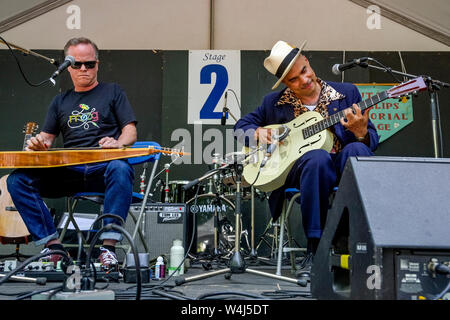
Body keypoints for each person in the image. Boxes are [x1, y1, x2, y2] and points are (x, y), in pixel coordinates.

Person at [234, 40, 379, 280]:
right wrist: (257, 133)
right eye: (294, 79)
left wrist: (361, 133)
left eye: (304, 71)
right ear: (286, 84)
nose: (304, 80)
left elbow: (371, 139)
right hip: (303, 173)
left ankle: (353, 241)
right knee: (317, 158)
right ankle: (316, 248)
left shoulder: (347, 93)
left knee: (357, 150)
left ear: (307, 63)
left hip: (343, 167)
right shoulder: (273, 103)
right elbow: (240, 128)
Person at [7, 37, 138, 271]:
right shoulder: (60, 101)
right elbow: (47, 138)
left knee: (121, 167)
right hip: (70, 171)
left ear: (98, 64)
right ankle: (53, 246)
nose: (84, 69)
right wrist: (39, 144)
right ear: (68, 67)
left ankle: (107, 248)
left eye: (89, 64)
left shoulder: (113, 91)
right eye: (77, 64)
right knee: (17, 180)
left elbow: (131, 131)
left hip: (103, 168)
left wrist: (117, 143)